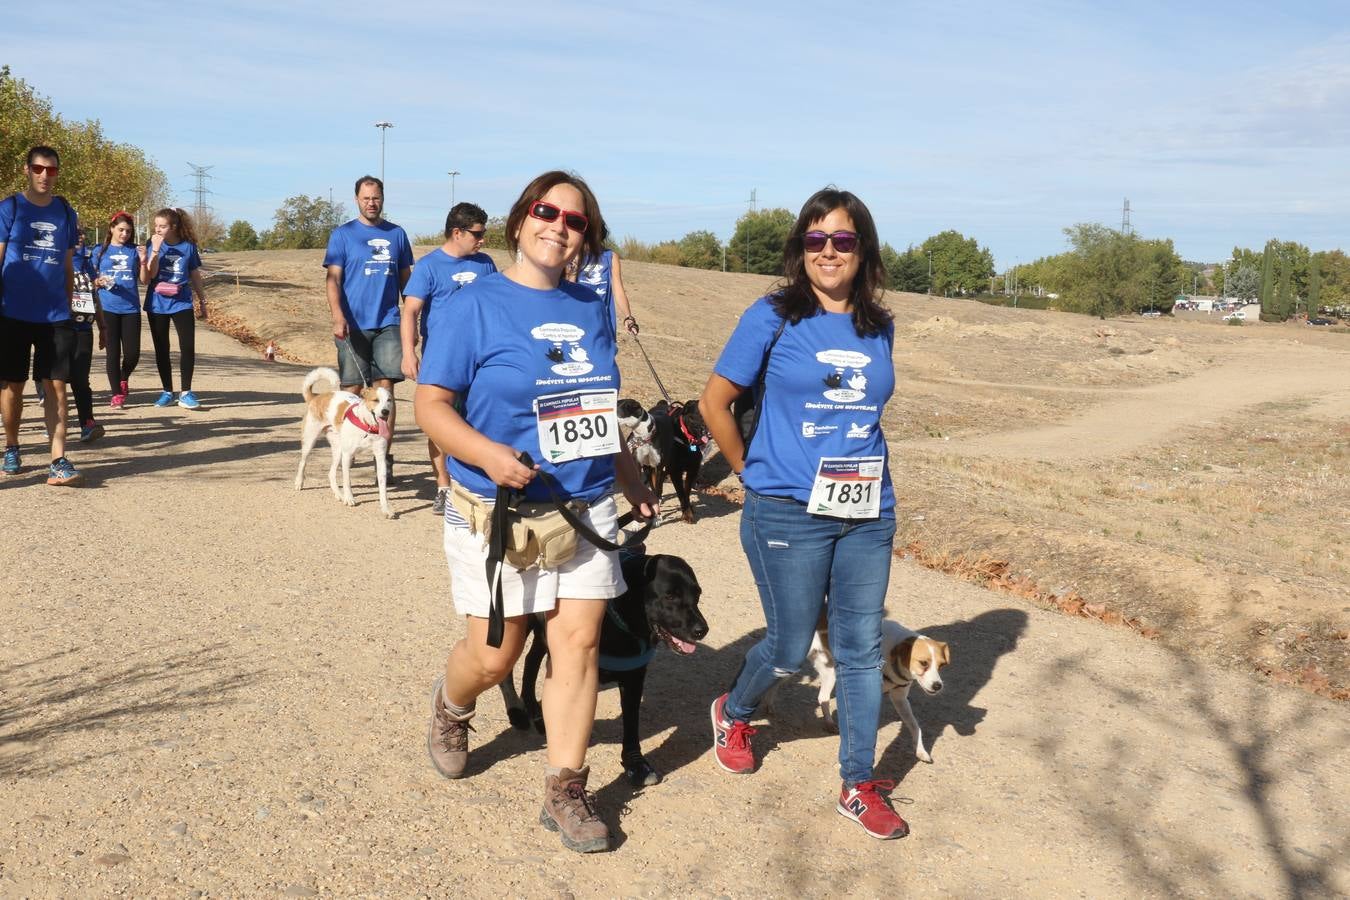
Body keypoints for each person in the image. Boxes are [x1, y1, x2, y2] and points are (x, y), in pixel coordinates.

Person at [413, 170, 657, 854]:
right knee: (497, 655)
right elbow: (431, 405)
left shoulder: (591, 307)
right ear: (520, 222)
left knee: (576, 645)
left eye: (575, 220)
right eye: (546, 212)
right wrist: (487, 454)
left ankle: (566, 786)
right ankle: (452, 705)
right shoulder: (474, 304)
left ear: (588, 236)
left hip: (584, 507)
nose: (559, 225)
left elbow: (596, 411)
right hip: (496, 509)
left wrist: (630, 473)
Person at [698, 187, 908, 840]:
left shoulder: (879, 323)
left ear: (863, 249)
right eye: (815, 240)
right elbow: (715, 404)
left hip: (867, 508)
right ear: (800, 249)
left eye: (842, 240)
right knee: (790, 649)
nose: (828, 251)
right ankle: (733, 711)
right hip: (785, 509)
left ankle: (857, 782)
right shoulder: (772, 315)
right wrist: (750, 472)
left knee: (860, 649)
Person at [400, 202, 496, 515]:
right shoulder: (429, 266)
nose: (482, 239)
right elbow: (411, 311)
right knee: (440, 424)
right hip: (442, 359)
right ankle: (443, 485)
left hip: (482, 360)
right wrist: (408, 352)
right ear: (457, 232)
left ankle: (474, 483)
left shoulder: (486, 264)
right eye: (477, 233)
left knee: (478, 420)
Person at [0, 145, 82, 485]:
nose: (44, 175)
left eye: (51, 170)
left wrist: (69, 306)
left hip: (54, 315)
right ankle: (12, 446)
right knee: (12, 386)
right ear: (27, 170)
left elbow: (66, 265)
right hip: (13, 312)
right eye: (38, 168)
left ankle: (58, 459)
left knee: (57, 387)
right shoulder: (11, 207)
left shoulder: (65, 211)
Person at [324, 175, 413, 468]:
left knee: (385, 390)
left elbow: (406, 282)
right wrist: (338, 317)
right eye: (366, 198)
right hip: (352, 324)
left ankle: (382, 455)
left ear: (383, 199)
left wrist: (413, 322)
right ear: (356, 200)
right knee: (350, 391)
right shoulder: (343, 235)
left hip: (388, 321)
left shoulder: (397, 234)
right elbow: (333, 279)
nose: (371, 203)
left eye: (376, 198)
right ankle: (344, 450)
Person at [142, 208, 208, 410]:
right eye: (156, 226)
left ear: (174, 227)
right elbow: (150, 277)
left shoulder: (188, 247)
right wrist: (154, 250)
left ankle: (186, 392)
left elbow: (194, 274)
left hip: (182, 302)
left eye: (162, 226)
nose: (158, 229)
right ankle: (167, 391)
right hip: (157, 303)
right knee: (162, 349)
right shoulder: (152, 244)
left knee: (187, 347)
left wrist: (202, 300)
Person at [92, 211, 144, 407]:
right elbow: (90, 279)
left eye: (128, 231)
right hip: (108, 308)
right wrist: (97, 281)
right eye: (121, 230)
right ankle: (116, 393)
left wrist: (145, 259)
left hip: (130, 308)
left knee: (132, 354)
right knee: (112, 353)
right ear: (112, 228)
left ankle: (123, 377)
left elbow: (144, 278)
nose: (124, 234)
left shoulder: (134, 251)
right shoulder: (99, 251)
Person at [67, 231, 106, 442]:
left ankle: (87, 424)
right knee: (54, 381)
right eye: (76, 232)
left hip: (83, 328)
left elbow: (93, 295)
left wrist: (102, 326)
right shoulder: (53, 259)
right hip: (57, 328)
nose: (80, 235)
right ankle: (54, 423)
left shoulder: (85, 262)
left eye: (82, 232)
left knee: (81, 379)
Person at [569, 243, 639, 336]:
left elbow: (618, 291)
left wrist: (628, 317)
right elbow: (568, 291)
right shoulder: (572, 254)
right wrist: (574, 267)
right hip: (577, 322)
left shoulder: (610, 257)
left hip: (603, 323)